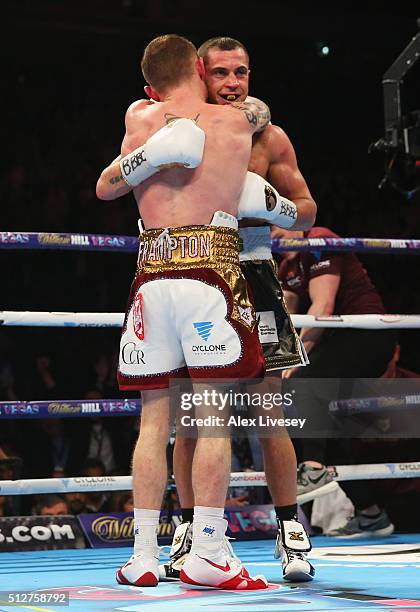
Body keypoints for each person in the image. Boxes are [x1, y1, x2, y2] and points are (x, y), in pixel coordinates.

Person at [96, 34, 275, 590]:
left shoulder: (138, 116)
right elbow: (255, 112)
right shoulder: (237, 122)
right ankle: (209, 551)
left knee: (154, 421)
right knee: (211, 418)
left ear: (149, 84)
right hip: (210, 277)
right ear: (202, 68)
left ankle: (143, 555)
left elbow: (106, 186)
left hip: (151, 277)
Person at [160, 37, 317, 583]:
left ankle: (290, 529)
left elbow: (306, 208)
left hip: (252, 274)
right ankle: (188, 531)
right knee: (189, 416)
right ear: (201, 73)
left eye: (242, 72)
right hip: (192, 272)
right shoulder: (179, 127)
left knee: (269, 410)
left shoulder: (268, 135)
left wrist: (271, 205)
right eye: (222, 72)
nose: (233, 83)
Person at [273, 225, 397, 537]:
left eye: (275, 223)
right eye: (264, 225)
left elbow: (323, 307)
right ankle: (372, 515)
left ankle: (312, 470)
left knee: (304, 382)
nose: (271, 231)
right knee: (334, 433)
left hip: (366, 334)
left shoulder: (318, 238)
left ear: (293, 222)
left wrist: (297, 359)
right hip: (335, 343)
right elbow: (287, 318)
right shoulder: (286, 265)